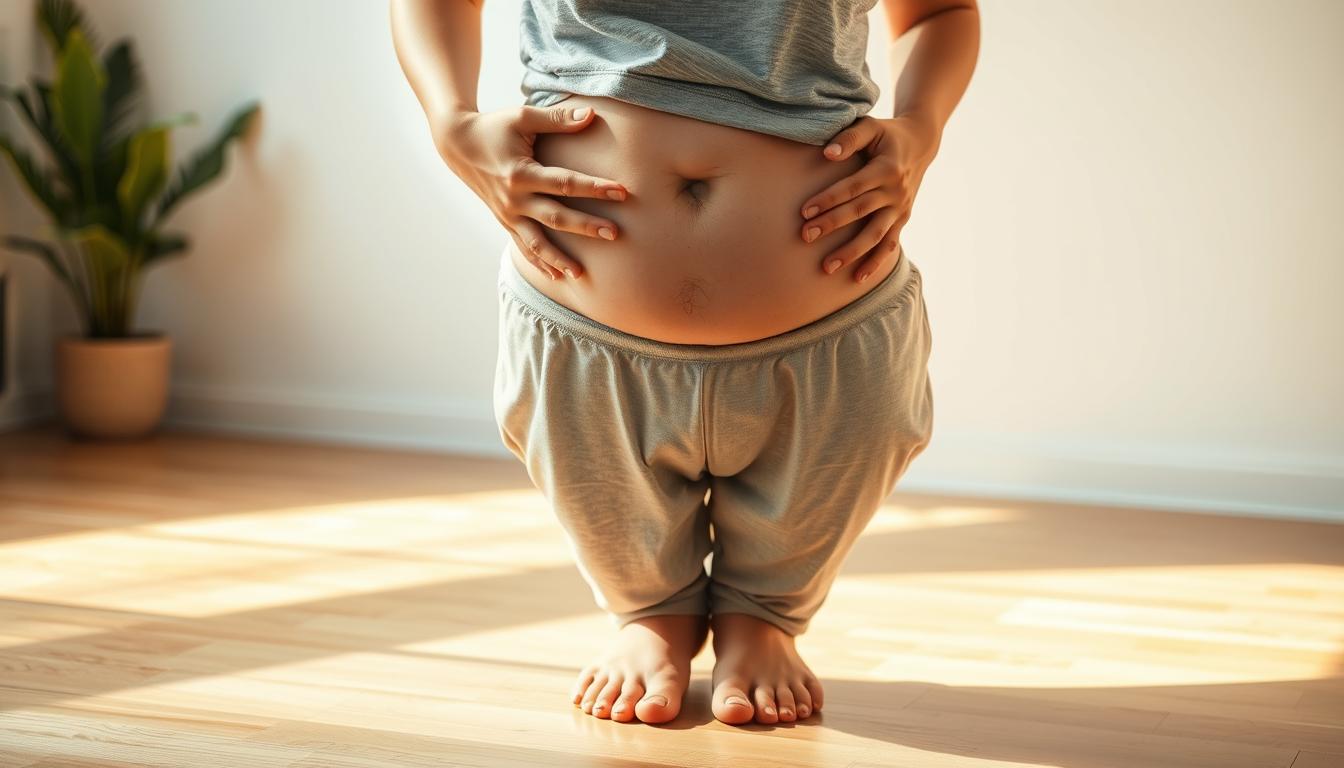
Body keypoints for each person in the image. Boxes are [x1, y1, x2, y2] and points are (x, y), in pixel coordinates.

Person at [390, 0, 979, 726]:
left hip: (832, 321)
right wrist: (449, 123)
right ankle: (652, 615)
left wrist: (920, 131)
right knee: (602, 490)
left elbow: (940, 10)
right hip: (586, 327)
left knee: (842, 457)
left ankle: (761, 618)